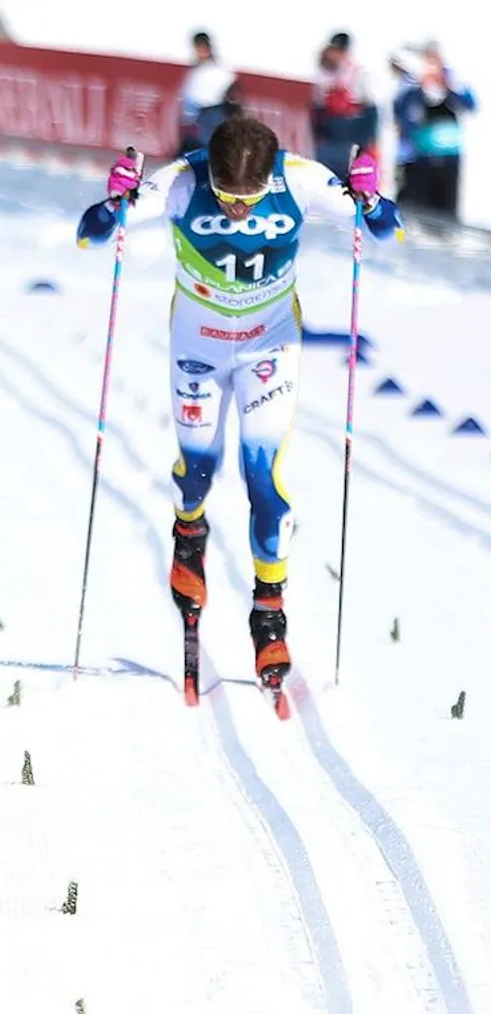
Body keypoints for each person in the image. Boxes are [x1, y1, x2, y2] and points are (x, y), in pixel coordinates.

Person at [75, 116, 402, 704]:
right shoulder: (180, 182)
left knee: (265, 483)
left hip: (269, 343)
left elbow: (385, 230)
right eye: (226, 198)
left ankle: (269, 614)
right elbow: (91, 235)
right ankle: (188, 529)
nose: (237, 214)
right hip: (197, 344)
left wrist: (371, 196)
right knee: (198, 472)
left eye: (249, 200)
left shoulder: (300, 181)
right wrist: (115, 200)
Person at [391, 42, 476, 219]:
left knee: (446, 211)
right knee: (419, 210)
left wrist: (448, 85)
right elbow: (403, 116)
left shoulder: (452, 86)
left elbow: (470, 104)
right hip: (419, 159)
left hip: (449, 159)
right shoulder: (411, 90)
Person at [311, 32, 379, 178]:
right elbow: (317, 108)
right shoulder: (323, 73)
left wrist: (366, 141)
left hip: (351, 139)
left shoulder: (359, 74)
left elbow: (371, 109)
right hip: (330, 139)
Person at [180, 31, 236, 155]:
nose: (199, 51)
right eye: (197, 48)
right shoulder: (196, 70)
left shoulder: (219, 69)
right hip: (196, 115)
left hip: (212, 112)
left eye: (202, 47)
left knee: (206, 149)